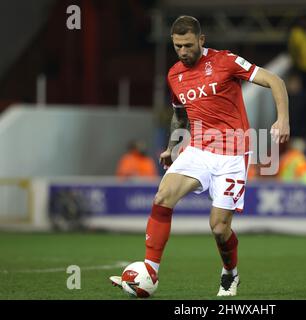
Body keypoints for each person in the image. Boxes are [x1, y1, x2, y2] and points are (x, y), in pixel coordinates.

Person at [110, 16, 290, 297]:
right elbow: (180, 115)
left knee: (219, 228)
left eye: (188, 45)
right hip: (198, 150)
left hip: (232, 152)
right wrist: (172, 147)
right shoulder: (174, 75)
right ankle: (150, 269)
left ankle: (230, 273)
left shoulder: (225, 61)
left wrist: (283, 119)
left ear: (201, 40)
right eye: (178, 46)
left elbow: (274, 80)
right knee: (162, 197)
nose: (183, 51)